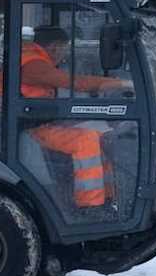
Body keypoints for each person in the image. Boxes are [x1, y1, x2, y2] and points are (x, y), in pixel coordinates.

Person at [16, 25, 131, 210]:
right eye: (64, 49)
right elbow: (75, 83)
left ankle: (108, 197)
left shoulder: (32, 59)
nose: (64, 55)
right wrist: (121, 83)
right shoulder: (32, 64)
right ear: (55, 46)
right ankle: (90, 205)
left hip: (36, 121)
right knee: (86, 139)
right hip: (29, 126)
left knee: (101, 132)